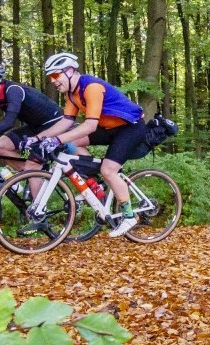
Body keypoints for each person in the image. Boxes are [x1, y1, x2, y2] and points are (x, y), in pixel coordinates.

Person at [24, 52, 147, 237]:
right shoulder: (72, 94)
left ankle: (129, 216)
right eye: (50, 77)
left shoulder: (92, 87)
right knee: (69, 143)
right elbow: (65, 122)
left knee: (108, 170)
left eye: (56, 75)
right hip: (108, 127)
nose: (53, 81)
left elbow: (90, 125)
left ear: (70, 71)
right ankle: (92, 183)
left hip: (130, 127)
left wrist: (57, 139)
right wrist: (39, 138)